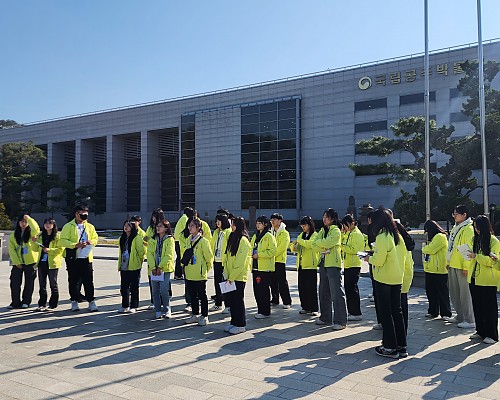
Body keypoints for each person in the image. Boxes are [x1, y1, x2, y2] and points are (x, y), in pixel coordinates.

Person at [364, 208, 406, 359]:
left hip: (384, 279)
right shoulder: (397, 235)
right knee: (397, 312)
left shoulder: (382, 236)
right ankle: (401, 345)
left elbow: (379, 261)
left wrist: (369, 259)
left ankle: (389, 347)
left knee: (386, 314)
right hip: (397, 277)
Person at [59, 204, 99, 312]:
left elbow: (95, 238)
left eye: (86, 214)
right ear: (76, 214)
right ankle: (74, 301)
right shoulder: (68, 226)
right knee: (73, 280)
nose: (84, 216)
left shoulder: (90, 227)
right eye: (82, 214)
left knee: (88, 281)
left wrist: (91, 242)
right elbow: (62, 241)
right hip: (73, 258)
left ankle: (91, 301)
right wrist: (75, 245)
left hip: (86, 257)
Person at [467, 215, 500, 344]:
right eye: (475, 227)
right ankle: (480, 330)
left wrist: (477, 256)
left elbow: (493, 261)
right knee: (478, 306)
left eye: (478, 227)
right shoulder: (475, 239)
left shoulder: (493, 241)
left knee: (489, 308)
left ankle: (491, 334)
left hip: (487, 280)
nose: (476, 230)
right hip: (474, 277)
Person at [313, 208, 347, 330]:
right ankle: (325, 317)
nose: (324, 219)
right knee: (323, 291)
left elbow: (327, 243)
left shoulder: (336, 231)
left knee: (336, 292)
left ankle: (340, 320)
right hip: (323, 263)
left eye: (327, 217)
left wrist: (321, 244)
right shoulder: (322, 231)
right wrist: (323, 246)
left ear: (333, 219)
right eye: (323, 217)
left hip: (333, 264)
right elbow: (313, 244)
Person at [446, 205, 475, 328]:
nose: (454, 216)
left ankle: (469, 319)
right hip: (453, 264)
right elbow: (451, 246)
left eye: (456, 214)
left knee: (465, 294)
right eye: (454, 214)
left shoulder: (468, 229)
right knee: (454, 292)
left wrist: (466, 266)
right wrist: (448, 262)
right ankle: (460, 315)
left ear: (464, 215)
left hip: (462, 266)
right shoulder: (456, 227)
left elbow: (468, 249)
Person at [223, 216, 252, 334]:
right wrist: (226, 273)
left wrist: (232, 277)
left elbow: (240, 262)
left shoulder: (244, 240)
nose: (231, 226)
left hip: (238, 276)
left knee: (238, 300)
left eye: (233, 224)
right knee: (232, 301)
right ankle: (234, 322)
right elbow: (227, 257)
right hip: (230, 275)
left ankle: (240, 324)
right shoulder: (232, 236)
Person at [183, 218, 214, 326]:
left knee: (202, 295)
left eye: (192, 226)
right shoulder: (188, 240)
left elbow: (209, 258)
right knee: (192, 295)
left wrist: (204, 269)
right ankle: (195, 314)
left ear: (198, 227)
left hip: (200, 274)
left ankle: (204, 316)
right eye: (189, 226)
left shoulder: (203, 241)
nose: (190, 228)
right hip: (189, 272)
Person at [7, 214, 40, 309]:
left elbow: (36, 229)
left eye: (25, 222)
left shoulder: (31, 233)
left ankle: (26, 301)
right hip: (18, 262)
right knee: (14, 282)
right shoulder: (14, 235)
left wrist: (29, 218)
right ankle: (15, 302)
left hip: (30, 261)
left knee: (29, 282)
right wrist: (16, 262)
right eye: (21, 221)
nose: (23, 223)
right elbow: (11, 249)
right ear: (18, 222)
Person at [422, 220, 452, 319]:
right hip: (430, 269)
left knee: (442, 292)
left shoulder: (440, 237)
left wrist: (425, 248)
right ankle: (433, 311)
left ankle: (445, 313)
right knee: (431, 292)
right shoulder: (432, 238)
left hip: (439, 270)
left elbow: (430, 249)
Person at [146, 219, 175, 319]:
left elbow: (169, 255)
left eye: (160, 226)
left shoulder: (170, 239)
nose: (158, 228)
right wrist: (153, 267)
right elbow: (149, 254)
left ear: (166, 228)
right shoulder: (153, 239)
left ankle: (167, 309)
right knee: (155, 291)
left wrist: (160, 267)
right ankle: (157, 310)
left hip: (165, 268)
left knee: (163, 290)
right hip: (153, 268)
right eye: (157, 226)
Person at [291, 216, 319, 315]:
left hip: (310, 265)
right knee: (302, 287)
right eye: (302, 225)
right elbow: (297, 246)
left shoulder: (315, 235)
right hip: (301, 264)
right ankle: (305, 306)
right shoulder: (301, 236)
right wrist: (294, 247)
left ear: (310, 225)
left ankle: (314, 308)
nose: (303, 227)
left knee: (311, 287)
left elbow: (310, 244)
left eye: (305, 225)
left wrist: (300, 241)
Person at [251, 215, 277, 319]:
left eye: (260, 223)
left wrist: (260, 255)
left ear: (265, 224)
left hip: (264, 268)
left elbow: (273, 251)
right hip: (255, 266)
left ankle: (265, 311)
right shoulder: (255, 235)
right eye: (257, 223)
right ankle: (260, 309)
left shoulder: (269, 236)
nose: (257, 225)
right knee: (257, 290)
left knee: (264, 290)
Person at [341, 214, 365, 321]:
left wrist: (342, 246)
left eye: (346, 226)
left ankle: (356, 312)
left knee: (352, 288)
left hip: (354, 265)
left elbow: (354, 250)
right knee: (348, 289)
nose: (345, 228)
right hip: (348, 264)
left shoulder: (356, 234)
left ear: (351, 224)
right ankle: (351, 311)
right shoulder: (349, 233)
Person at [118, 220, 146, 313]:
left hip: (134, 266)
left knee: (134, 287)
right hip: (124, 265)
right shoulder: (122, 238)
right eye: (125, 225)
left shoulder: (137, 238)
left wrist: (139, 261)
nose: (126, 227)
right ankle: (125, 305)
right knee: (124, 287)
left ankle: (134, 305)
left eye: (128, 226)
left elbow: (141, 251)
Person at [36, 218, 63, 311]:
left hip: (52, 263)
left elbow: (60, 249)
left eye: (50, 223)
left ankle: (53, 304)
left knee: (53, 284)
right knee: (42, 285)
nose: (47, 225)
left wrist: (49, 250)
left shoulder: (57, 236)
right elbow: (35, 248)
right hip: (41, 262)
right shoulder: (40, 236)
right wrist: (34, 241)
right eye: (46, 223)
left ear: (53, 225)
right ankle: (42, 303)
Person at [394, 219, 414, 334]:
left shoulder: (399, 241)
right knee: (402, 304)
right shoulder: (404, 240)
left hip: (401, 276)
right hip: (404, 275)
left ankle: (402, 331)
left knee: (400, 306)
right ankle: (402, 330)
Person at [270, 213, 292, 309]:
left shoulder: (284, 233)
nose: (272, 222)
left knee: (282, 281)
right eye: (271, 220)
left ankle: (287, 301)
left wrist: (271, 253)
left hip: (279, 260)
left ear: (280, 221)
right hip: (271, 260)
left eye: (274, 219)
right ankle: (275, 299)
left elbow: (282, 247)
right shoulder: (270, 232)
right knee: (272, 281)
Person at [210, 213, 231, 312]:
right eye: (216, 221)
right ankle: (218, 303)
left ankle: (228, 305)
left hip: (224, 261)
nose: (217, 223)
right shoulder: (216, 232)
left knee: (225, 284)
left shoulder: (228, 232)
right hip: (216, 260)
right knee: (217, 283)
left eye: (219, 220)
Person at [145, 208, 165, 309]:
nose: (153, 219)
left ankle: (164, 300)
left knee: (163, 282)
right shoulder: (150, 228)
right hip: (152, 256)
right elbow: (146, 238)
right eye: (153, 216)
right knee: (152, 279)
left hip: (161, 258)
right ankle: (154, 301)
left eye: (155, 217)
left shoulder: (164, 227)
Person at [174, 207, 194, 279]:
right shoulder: (185, 219)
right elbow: (187, 230)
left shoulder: (182, 218)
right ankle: (178, 274)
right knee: (180, 257)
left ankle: (178, 274)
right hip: (180, 241)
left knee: (179, 257)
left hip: (177, 240)